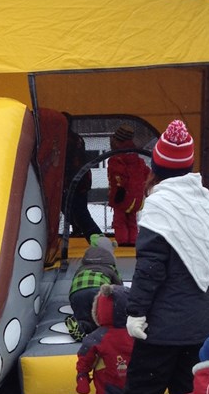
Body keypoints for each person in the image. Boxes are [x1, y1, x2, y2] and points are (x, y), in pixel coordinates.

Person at [102, 119, 209, 394]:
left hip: (158, 331)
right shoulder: (207, 204)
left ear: (156, 165)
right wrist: (202, 300)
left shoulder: (160, 206)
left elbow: (150, 270)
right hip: (199, 327)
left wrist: (136, 312)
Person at [76, 284, 134, 394]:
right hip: (135, 382)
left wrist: (82, 375)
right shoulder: (136, 333)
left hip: (109, 384)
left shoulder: (98, 336)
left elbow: (85, 356)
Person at [65, 234, 122, 341]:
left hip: (76, 294)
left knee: (84, 317)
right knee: (103, 318)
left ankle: (81, 326)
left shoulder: (82, 266)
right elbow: (119, 286)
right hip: (97, 291)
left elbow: (74, 280)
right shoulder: (110, 267)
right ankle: (103, 329)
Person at [61, 113, 102, 241]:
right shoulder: (75, 138)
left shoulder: (66, 140)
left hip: (74, 181)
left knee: (79, 212)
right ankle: (79, 230)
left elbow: (67, 163)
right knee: (74, 209)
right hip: (80, 179)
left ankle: (98, 239)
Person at [107, 124, 149, 246]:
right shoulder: (136, 158)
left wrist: (119, 189)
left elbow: (118, 175)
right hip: (136, 197)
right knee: (131, 220)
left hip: (122, 195)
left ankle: (122, 242)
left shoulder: (116, 159)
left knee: (119, 220)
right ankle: (132, 242)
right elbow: (146, 173)